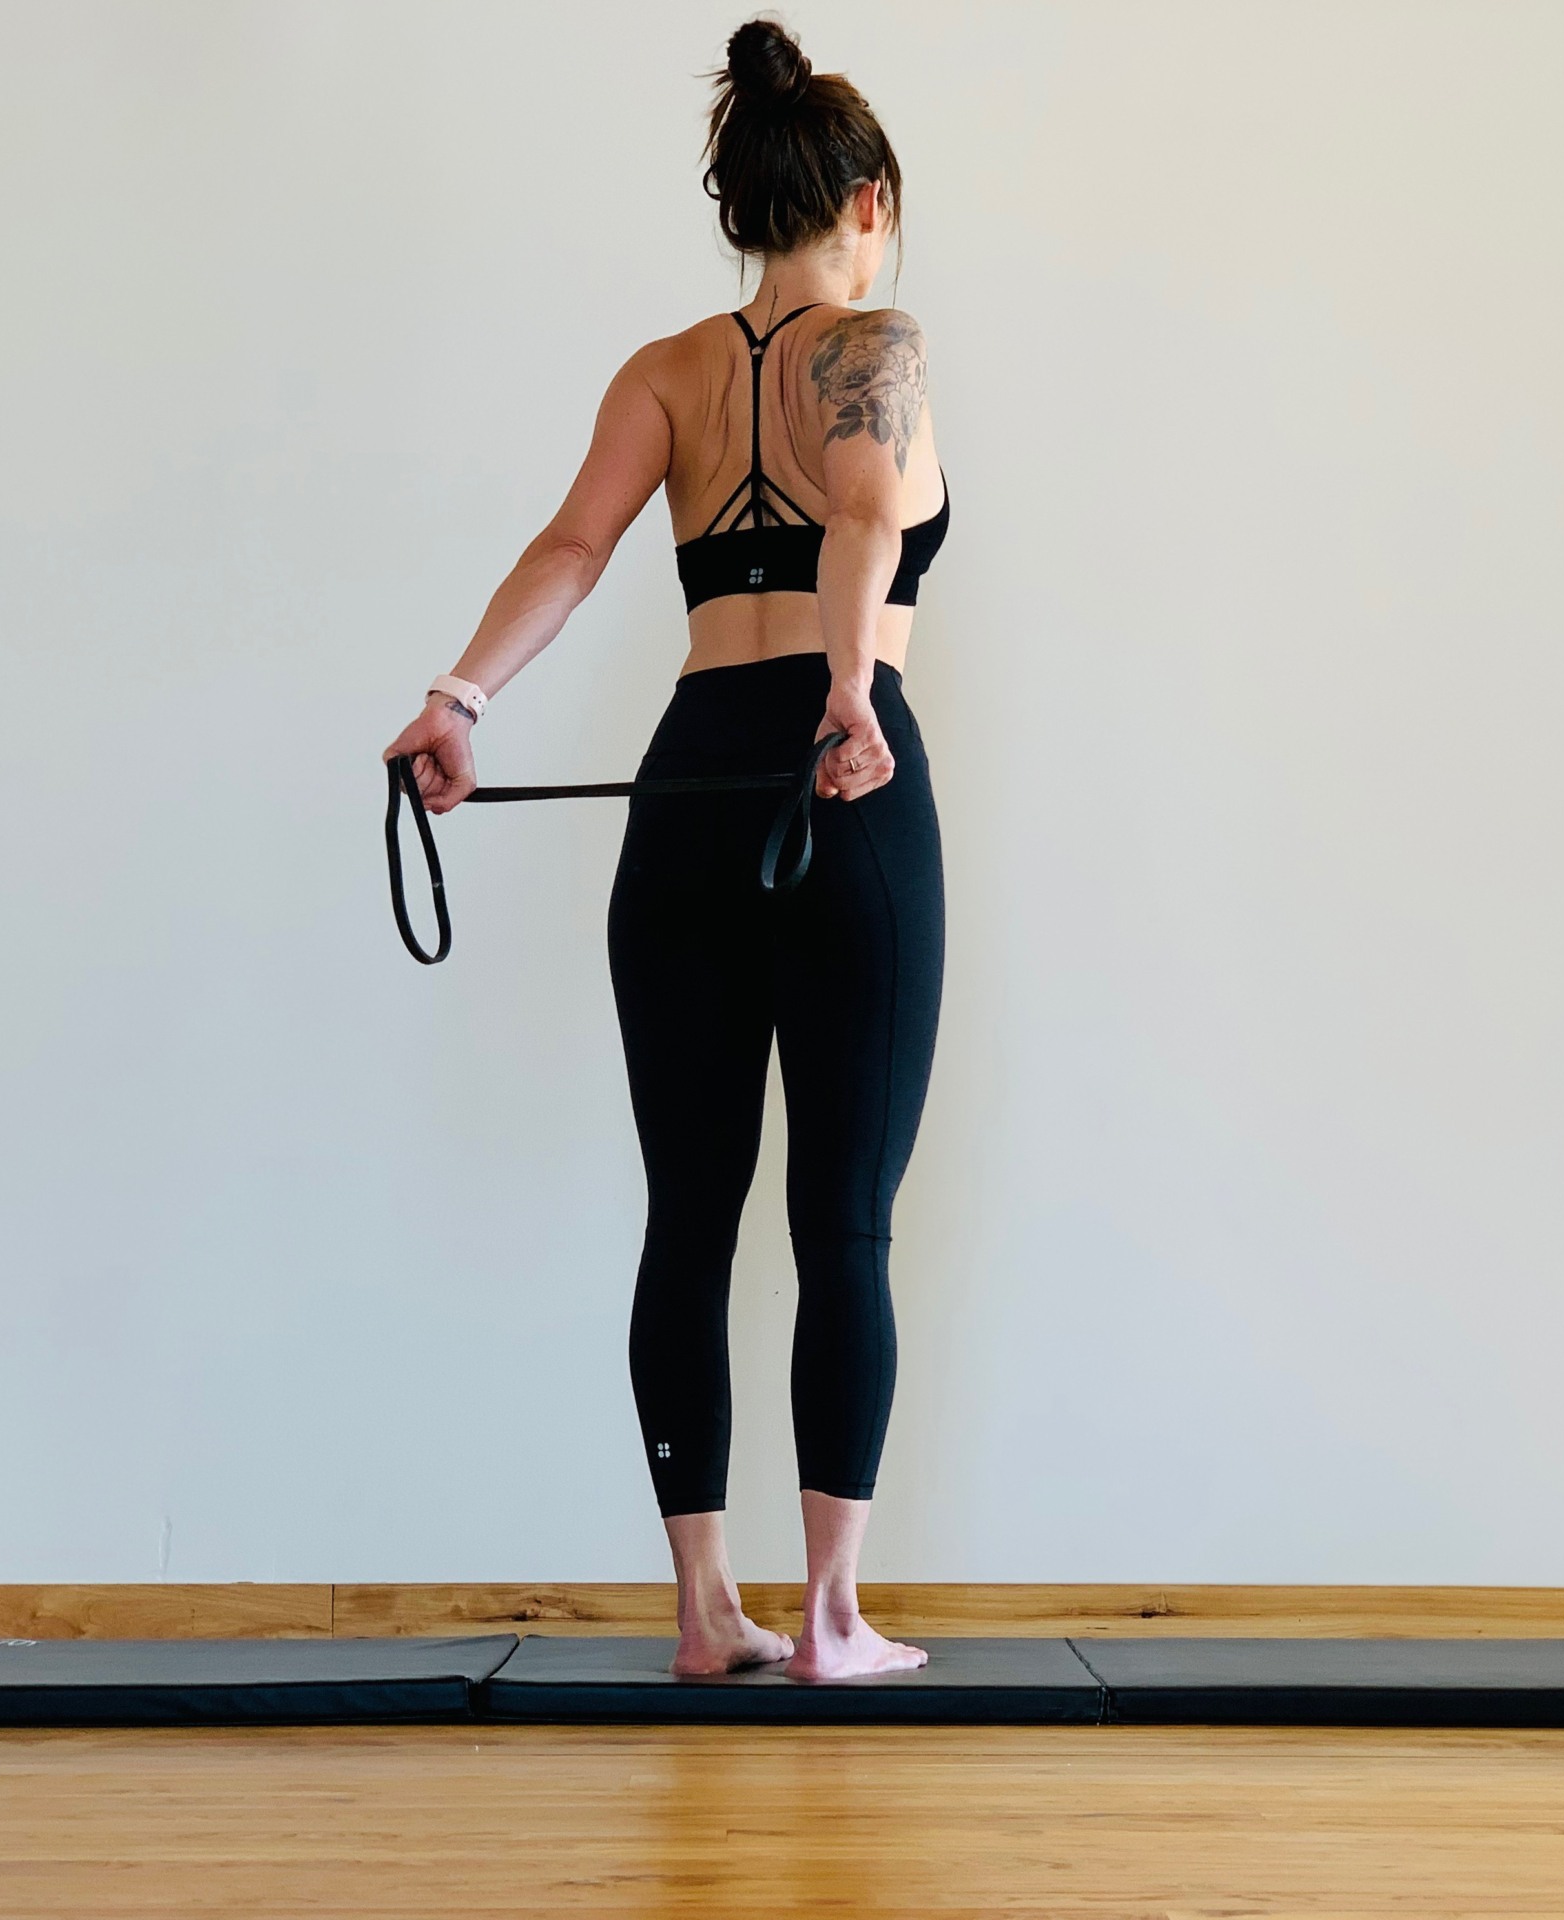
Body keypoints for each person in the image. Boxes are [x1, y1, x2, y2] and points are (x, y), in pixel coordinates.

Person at [383, 18, 949, 1681]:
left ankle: (708, 1615)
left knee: (688, 1211)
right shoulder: (882, 344)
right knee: (842, 1219)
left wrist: (459, 694)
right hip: (842, 788)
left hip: (690, 790)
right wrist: (850, 692)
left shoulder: (666, 371)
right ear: (864, 196)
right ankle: (832, 1618)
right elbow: (862, 517)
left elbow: (574, 543)